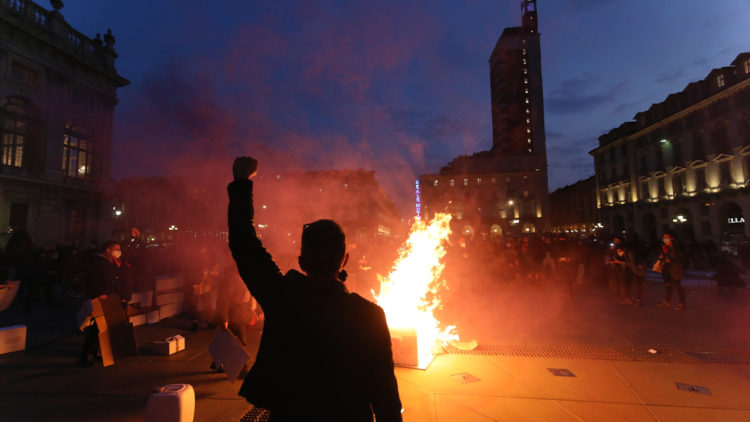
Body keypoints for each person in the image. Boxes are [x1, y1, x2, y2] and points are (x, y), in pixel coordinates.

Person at [227, 156, 402, 421]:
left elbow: (244, 245)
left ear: (301, 261)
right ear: (345, 261)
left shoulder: (283, 297)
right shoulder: (370, 316)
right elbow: (386, 398)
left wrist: (241, 183)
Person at [78, 241, 132, 366]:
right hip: (101, 299)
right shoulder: (98, 262)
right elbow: (93, 280)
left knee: (105, 328)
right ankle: (86, 356)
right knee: (97, 328)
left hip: (111, 298)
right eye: (116, 249)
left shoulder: (114, 262)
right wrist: (99, 293)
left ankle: (98, 353)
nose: (119, 251)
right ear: (108, 250)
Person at [656, 232, 685, 310]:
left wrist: (671, 260)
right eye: (664, 237)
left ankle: (682, 303)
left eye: (667, 237)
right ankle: (667, 301)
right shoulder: (663, 247)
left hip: (674, 269)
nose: (665, 239)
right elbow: (661, 256)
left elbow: (682, 257)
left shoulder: (676, 247)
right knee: (667, 285)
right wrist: (661, 258)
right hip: (666, 269)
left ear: (672, 238)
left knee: (678, 286)